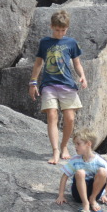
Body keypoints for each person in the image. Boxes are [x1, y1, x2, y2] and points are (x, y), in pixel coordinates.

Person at [29, 10, 87, 165]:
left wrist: (82, 75)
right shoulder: (44, 43)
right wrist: (33, 82)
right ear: (51, 27)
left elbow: (77, 63)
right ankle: (55, 150)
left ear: (67, 28)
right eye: (57, 30)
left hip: (67, 84)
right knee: (52, 115)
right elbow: (38, 63)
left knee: (70, 118)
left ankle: (64, 146)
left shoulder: (71, 43)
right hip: (49, 85)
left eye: (63, 30)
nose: (60, 33)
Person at [56, 129, 107, 212]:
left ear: (88, 144)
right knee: (80, 172)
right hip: (78, 194)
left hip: (94, 193)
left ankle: (92, 199)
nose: (75, 146)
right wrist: (61, 195)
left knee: (103, 172)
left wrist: (103, 193)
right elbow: (64, 176)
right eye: (75, 144)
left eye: (78, 144)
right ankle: (85, 203)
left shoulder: (99, 161)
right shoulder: (75, 160)